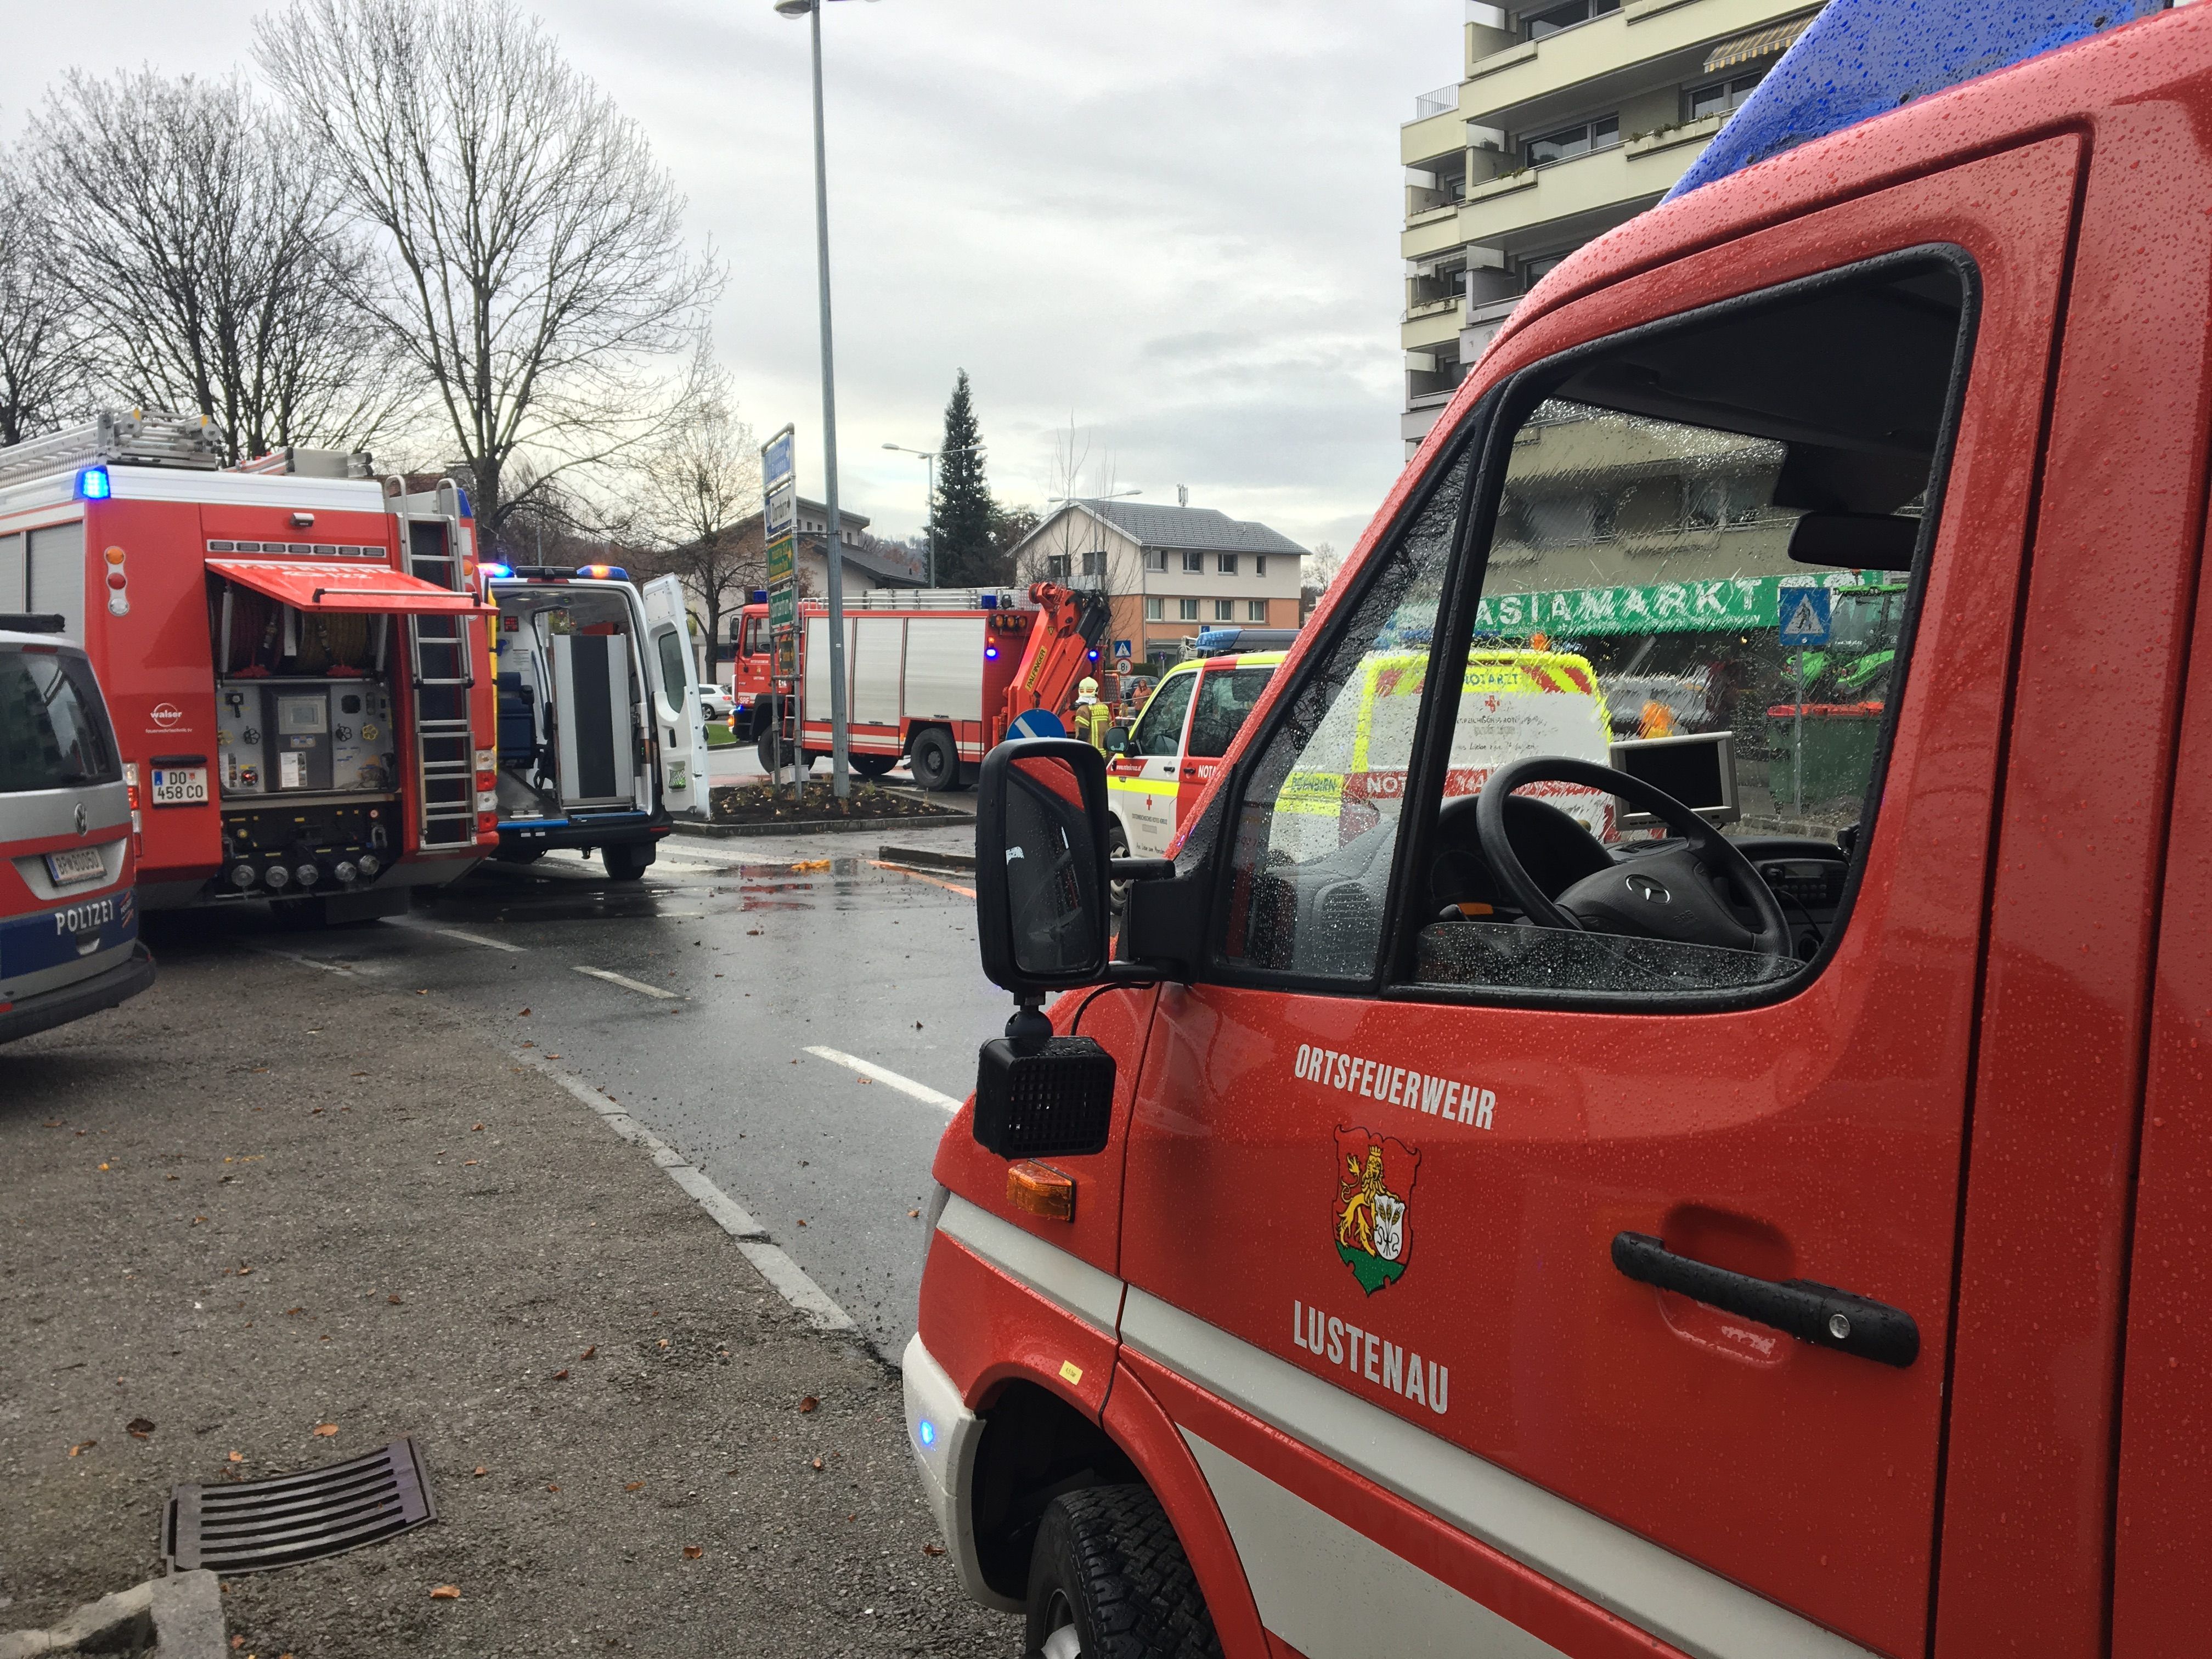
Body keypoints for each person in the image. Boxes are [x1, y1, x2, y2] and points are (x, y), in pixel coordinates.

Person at [1071, 676, 1111, 752]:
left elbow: (1082, 736)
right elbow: (1111, 730)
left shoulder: (1083, 710)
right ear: (1096, 690)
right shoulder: (1104, 708)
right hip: (1105, 754)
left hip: (1091, 755)